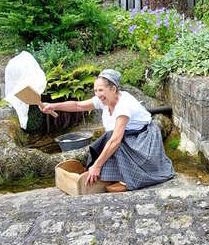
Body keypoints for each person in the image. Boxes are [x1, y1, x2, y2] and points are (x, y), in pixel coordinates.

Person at [40, 69, 174, 192]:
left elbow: (115, 141)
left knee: (112, 140)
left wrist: (97, 165)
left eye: (101, 90)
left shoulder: (123, 106)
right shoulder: (104, 99)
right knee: (107, 139)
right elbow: (78, 105)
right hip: (129, 137)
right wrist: (52, 106)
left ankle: (126, 179)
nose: (98, 94)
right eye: (95, 91)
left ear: (113, 89)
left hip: (144, 142)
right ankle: (108, 175)